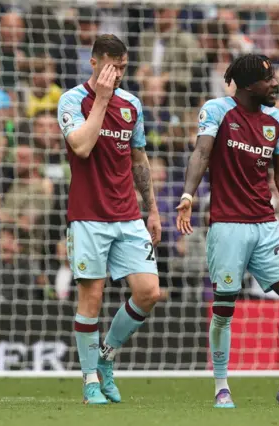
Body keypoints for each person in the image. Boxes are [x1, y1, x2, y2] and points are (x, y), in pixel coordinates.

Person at [175, 54, 279, 409]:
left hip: (265, 225)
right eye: (268, 78)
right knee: (225, 307)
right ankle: (222, 386)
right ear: (246, 86)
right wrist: (188, 194)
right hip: (227, 226)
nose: (275, 83)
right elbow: (201, 153)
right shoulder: (217, 111)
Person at [56, 34, 162, 405]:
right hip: (88, 216)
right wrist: (101, 100)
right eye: (111, 66)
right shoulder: (72, 100)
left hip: (128, 215)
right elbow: (81, 146)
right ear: (94, 62)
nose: (116, 74)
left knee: (149, 292)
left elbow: (138, 160)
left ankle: (105, 359)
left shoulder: (132, 104)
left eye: (122, 68)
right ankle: (88, 382)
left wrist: (152, 208)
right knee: (93, 296)